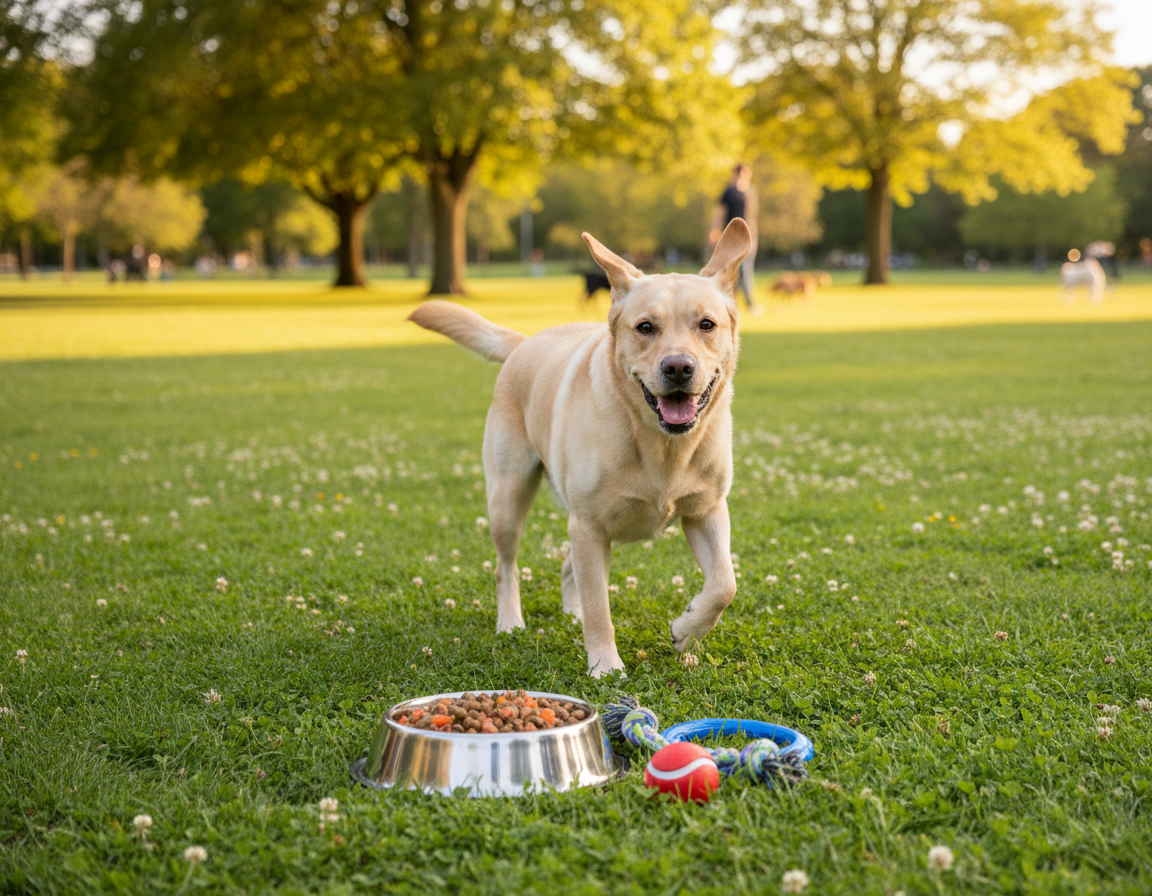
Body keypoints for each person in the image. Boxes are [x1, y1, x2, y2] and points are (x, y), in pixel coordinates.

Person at [708, 163, 762, 315]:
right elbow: (720, 212)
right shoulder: (729, 192)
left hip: (750, 235)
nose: (741, 177)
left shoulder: (751, 191)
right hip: (732, 237)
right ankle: (734, 304)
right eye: (739, 174)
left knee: (746, 270)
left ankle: (746, 304)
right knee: (733, 272)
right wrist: (714, 230)